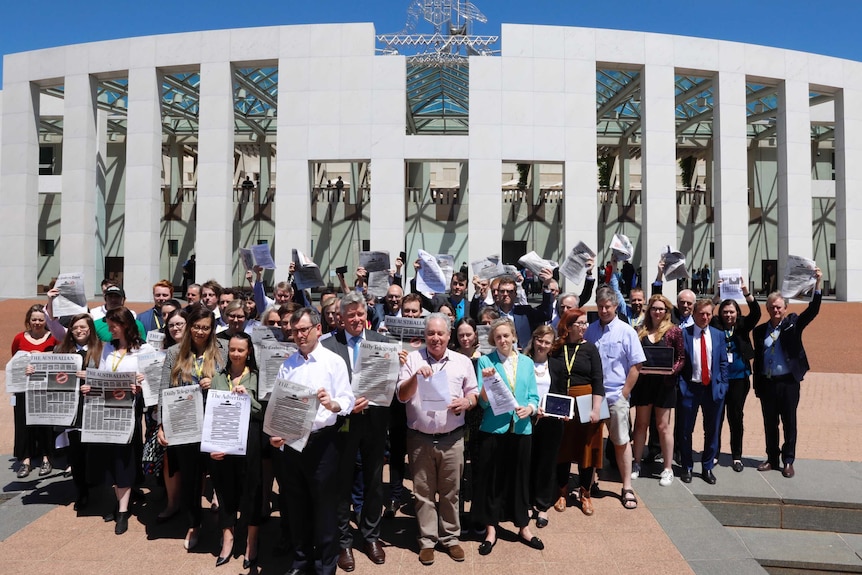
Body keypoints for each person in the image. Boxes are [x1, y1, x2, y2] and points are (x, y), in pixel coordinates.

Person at [269, 307, 355, 575]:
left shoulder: (333, 361)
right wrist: (277, 436)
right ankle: (301, 560)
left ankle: (325, 565)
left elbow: (348, 399)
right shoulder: (288, 363)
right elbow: (280, 403)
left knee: (324, 508)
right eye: (295, 331)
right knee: (296, 505)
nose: (299, 335)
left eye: (304, 329)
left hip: (322, 443)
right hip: (292, 443)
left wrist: (333, 404)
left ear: (318, 329)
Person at [321, 292, 395, 570]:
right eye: (349, 314)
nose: (355, 319)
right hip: (342, 424)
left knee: (374, 481)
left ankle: (371, 536)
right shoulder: (328, 345)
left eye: (359, 314)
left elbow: (391, 385)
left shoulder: (382, 343)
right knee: (341, 483)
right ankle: (344, 542)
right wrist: (345, 405)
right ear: (340, 317)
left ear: (366, 315)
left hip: (375, 423)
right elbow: (323, 383)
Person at [396, 313, 478, 565]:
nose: (435, 338)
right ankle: (427, 540)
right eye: (430, 333)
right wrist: (415, 377)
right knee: (422, 492)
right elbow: (401, 395)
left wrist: (466, 402)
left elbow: (473, 393)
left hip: (452, 438)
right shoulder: (412, 359)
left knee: (451, 491)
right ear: (424, 335)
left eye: (440, 333)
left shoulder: (462, 361)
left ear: (448, 335)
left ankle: (451, 538)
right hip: (420, 437)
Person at [158, 305, 227, 549]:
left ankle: (225, 529)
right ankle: (194, 523)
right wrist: (160, 425)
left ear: (212, 329)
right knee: (190, 479)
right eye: (196, 326)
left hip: (216, 423)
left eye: (205, 328)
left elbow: (234, 381)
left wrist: (216, 382)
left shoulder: (223, 350)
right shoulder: (174, 352)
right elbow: (163, 389)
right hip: (184, 424)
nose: (200, 331)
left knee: (221, 477)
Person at [473, 318, 543, 555]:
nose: (502, 340)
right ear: (493, 340)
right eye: (498, 337)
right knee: (493, 480)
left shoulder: (526, 362)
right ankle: (491, 529)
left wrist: (530, 409)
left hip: (521, 428)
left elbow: (534, 396)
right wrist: (486, 382)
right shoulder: (485, 360)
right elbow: (482, 403)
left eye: (506, 336)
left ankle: (523, 526)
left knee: (520, 479)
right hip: (494, 428)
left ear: (514, 336)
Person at [752, 268, 822, 479]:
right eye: (772, 307)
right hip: (767, 382)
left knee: (789, 422)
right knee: (769, 423)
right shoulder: (759, 331)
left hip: (788, 382)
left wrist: (817, 284)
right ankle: (772, 458)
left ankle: (788, 460)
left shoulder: (793, 324)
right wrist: (757, 384)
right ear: (767, 308)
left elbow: (813, 310)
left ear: (785, 308)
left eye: (779, 307)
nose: (776, 310)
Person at [95, 306, 154, 534]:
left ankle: (123, 510)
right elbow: (101, 373)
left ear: (126, 325)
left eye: (113, 326)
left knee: (125, 456)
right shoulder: (107, 348)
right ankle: (119, 497)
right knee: (110, 455)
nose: (109, 330)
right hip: (108, 408)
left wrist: (141, 382)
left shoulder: (144, 349)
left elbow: (151, 377)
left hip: (131, 409)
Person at [584, 287, 644, 510]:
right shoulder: (590, 331)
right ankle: (589, 483)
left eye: (607, 306)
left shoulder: (626, 331)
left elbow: (637, 365)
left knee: (620, 442)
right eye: (600, 306)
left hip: (616, 395)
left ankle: (626, 487)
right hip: (593, 398)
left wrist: (625, 393)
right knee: (591, 442)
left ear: (616, 306)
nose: (603, 310)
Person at [208, 332, 263, 568]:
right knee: (224, 489)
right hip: (224, 441)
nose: (236, 354)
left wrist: (248, 398)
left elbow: (262, 411)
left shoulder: (257, 377)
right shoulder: (218, 378)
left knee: (251, 489)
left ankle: (252, 540)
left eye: (241, 350)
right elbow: (210, 414)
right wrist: (211, 446)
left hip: (250, 440)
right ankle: (228, 537)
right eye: (232, 349)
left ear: (249, 351)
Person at [550, 308, 604, 515]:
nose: (584, 327)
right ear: (568, 325)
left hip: (586, 400)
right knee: (563, 448)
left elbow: (598, 380)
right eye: (579, 323)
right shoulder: (557, 348)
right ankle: (562, 492)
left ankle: (585, 493)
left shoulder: (590, 349)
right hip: (562, 401)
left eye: (585, 323)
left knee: (586, 450)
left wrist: (596, 409)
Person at [49, 313, 103, 510]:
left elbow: (110, 375)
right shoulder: (61, 350)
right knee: (76, 453)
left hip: (94, 406)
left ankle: (98, 485)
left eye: (83, 327)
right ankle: (82, 491)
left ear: (90, 329)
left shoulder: (102, 350)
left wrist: (92, 376)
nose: (79, 331)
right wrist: (33, 371)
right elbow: (50, 376)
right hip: (71, 408)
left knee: (94, 451)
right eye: (75, 328)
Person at [630, 295, 685, 486]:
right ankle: (636, 463)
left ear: (667, 311)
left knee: (663, 427)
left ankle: (667, 468)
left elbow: (680, 358)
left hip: (665, 385)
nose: (657, 312)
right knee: (641, 424)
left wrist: (672, 370)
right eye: (654, 308)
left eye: (661, 309)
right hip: (644, 384)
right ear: (649, 310)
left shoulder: (674, 332)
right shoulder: (640, 331)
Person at [711, 279, 761, 472]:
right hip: (719, 378)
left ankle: (736, 456)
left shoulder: (742, 325)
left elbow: (756, 313)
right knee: (717, 417)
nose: (728, 315)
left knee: (736, 417)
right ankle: (714, 453)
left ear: (737, 313)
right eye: (725, 311)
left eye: (732, 312)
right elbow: (706, 310)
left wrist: (747, 293)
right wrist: (717, 295)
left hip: (739, 378)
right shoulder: (715, 325)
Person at [678, 299, 728, 484]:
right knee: (685, 430)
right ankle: (687, 466)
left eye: (708, 314)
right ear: (694, 314)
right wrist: (681, 386)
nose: (705, 317)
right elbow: (679, 362)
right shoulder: (684, 334)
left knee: (712, 430)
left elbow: (723, 362)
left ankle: (707, 467)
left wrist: (723, 385)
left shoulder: (718, 335)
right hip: (690, 388)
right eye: (701, 314)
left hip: (713, 390)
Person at [524, 325, 567, 528]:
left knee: (547, 464)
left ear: (552, 346)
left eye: (547, 342)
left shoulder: (558, 366)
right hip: (527, 420)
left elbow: (563, 395)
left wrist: (565, 412)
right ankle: (525, 502)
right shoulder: (523, 363)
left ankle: (542, 506)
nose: (542, 345)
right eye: (539, 340)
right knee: (526, 462)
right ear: (534, 340)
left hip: (551, 423)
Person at [11, 304, 58, 478]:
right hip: (24, 388)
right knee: (23, 423)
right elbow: (15, 360)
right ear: (28, 321)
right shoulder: (19, 338)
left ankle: (46, 457)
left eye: (40, 319)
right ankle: (26, 459)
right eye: (34, 319)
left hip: (46, 388)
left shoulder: (53, 338)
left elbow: (61, 359)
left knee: (44, 423)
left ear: (45, 321)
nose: (37, 322)